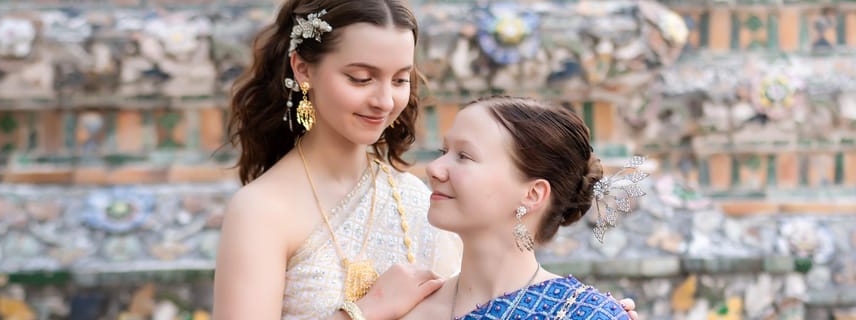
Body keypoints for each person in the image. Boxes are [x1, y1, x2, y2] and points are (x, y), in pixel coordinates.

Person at [212, 0, 639, 318]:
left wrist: (575, 310)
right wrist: (364, 312)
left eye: (400, 79)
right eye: (360, 78)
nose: (383, 100)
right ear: (303, 70)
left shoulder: (418, 199)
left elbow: (487, 294)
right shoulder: (263, 210)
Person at [402, 96, 639, 320]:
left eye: (464, 156)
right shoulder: (404, 307)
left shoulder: (584, 314)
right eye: (444, 152)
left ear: (533, 194)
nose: (434, 168)